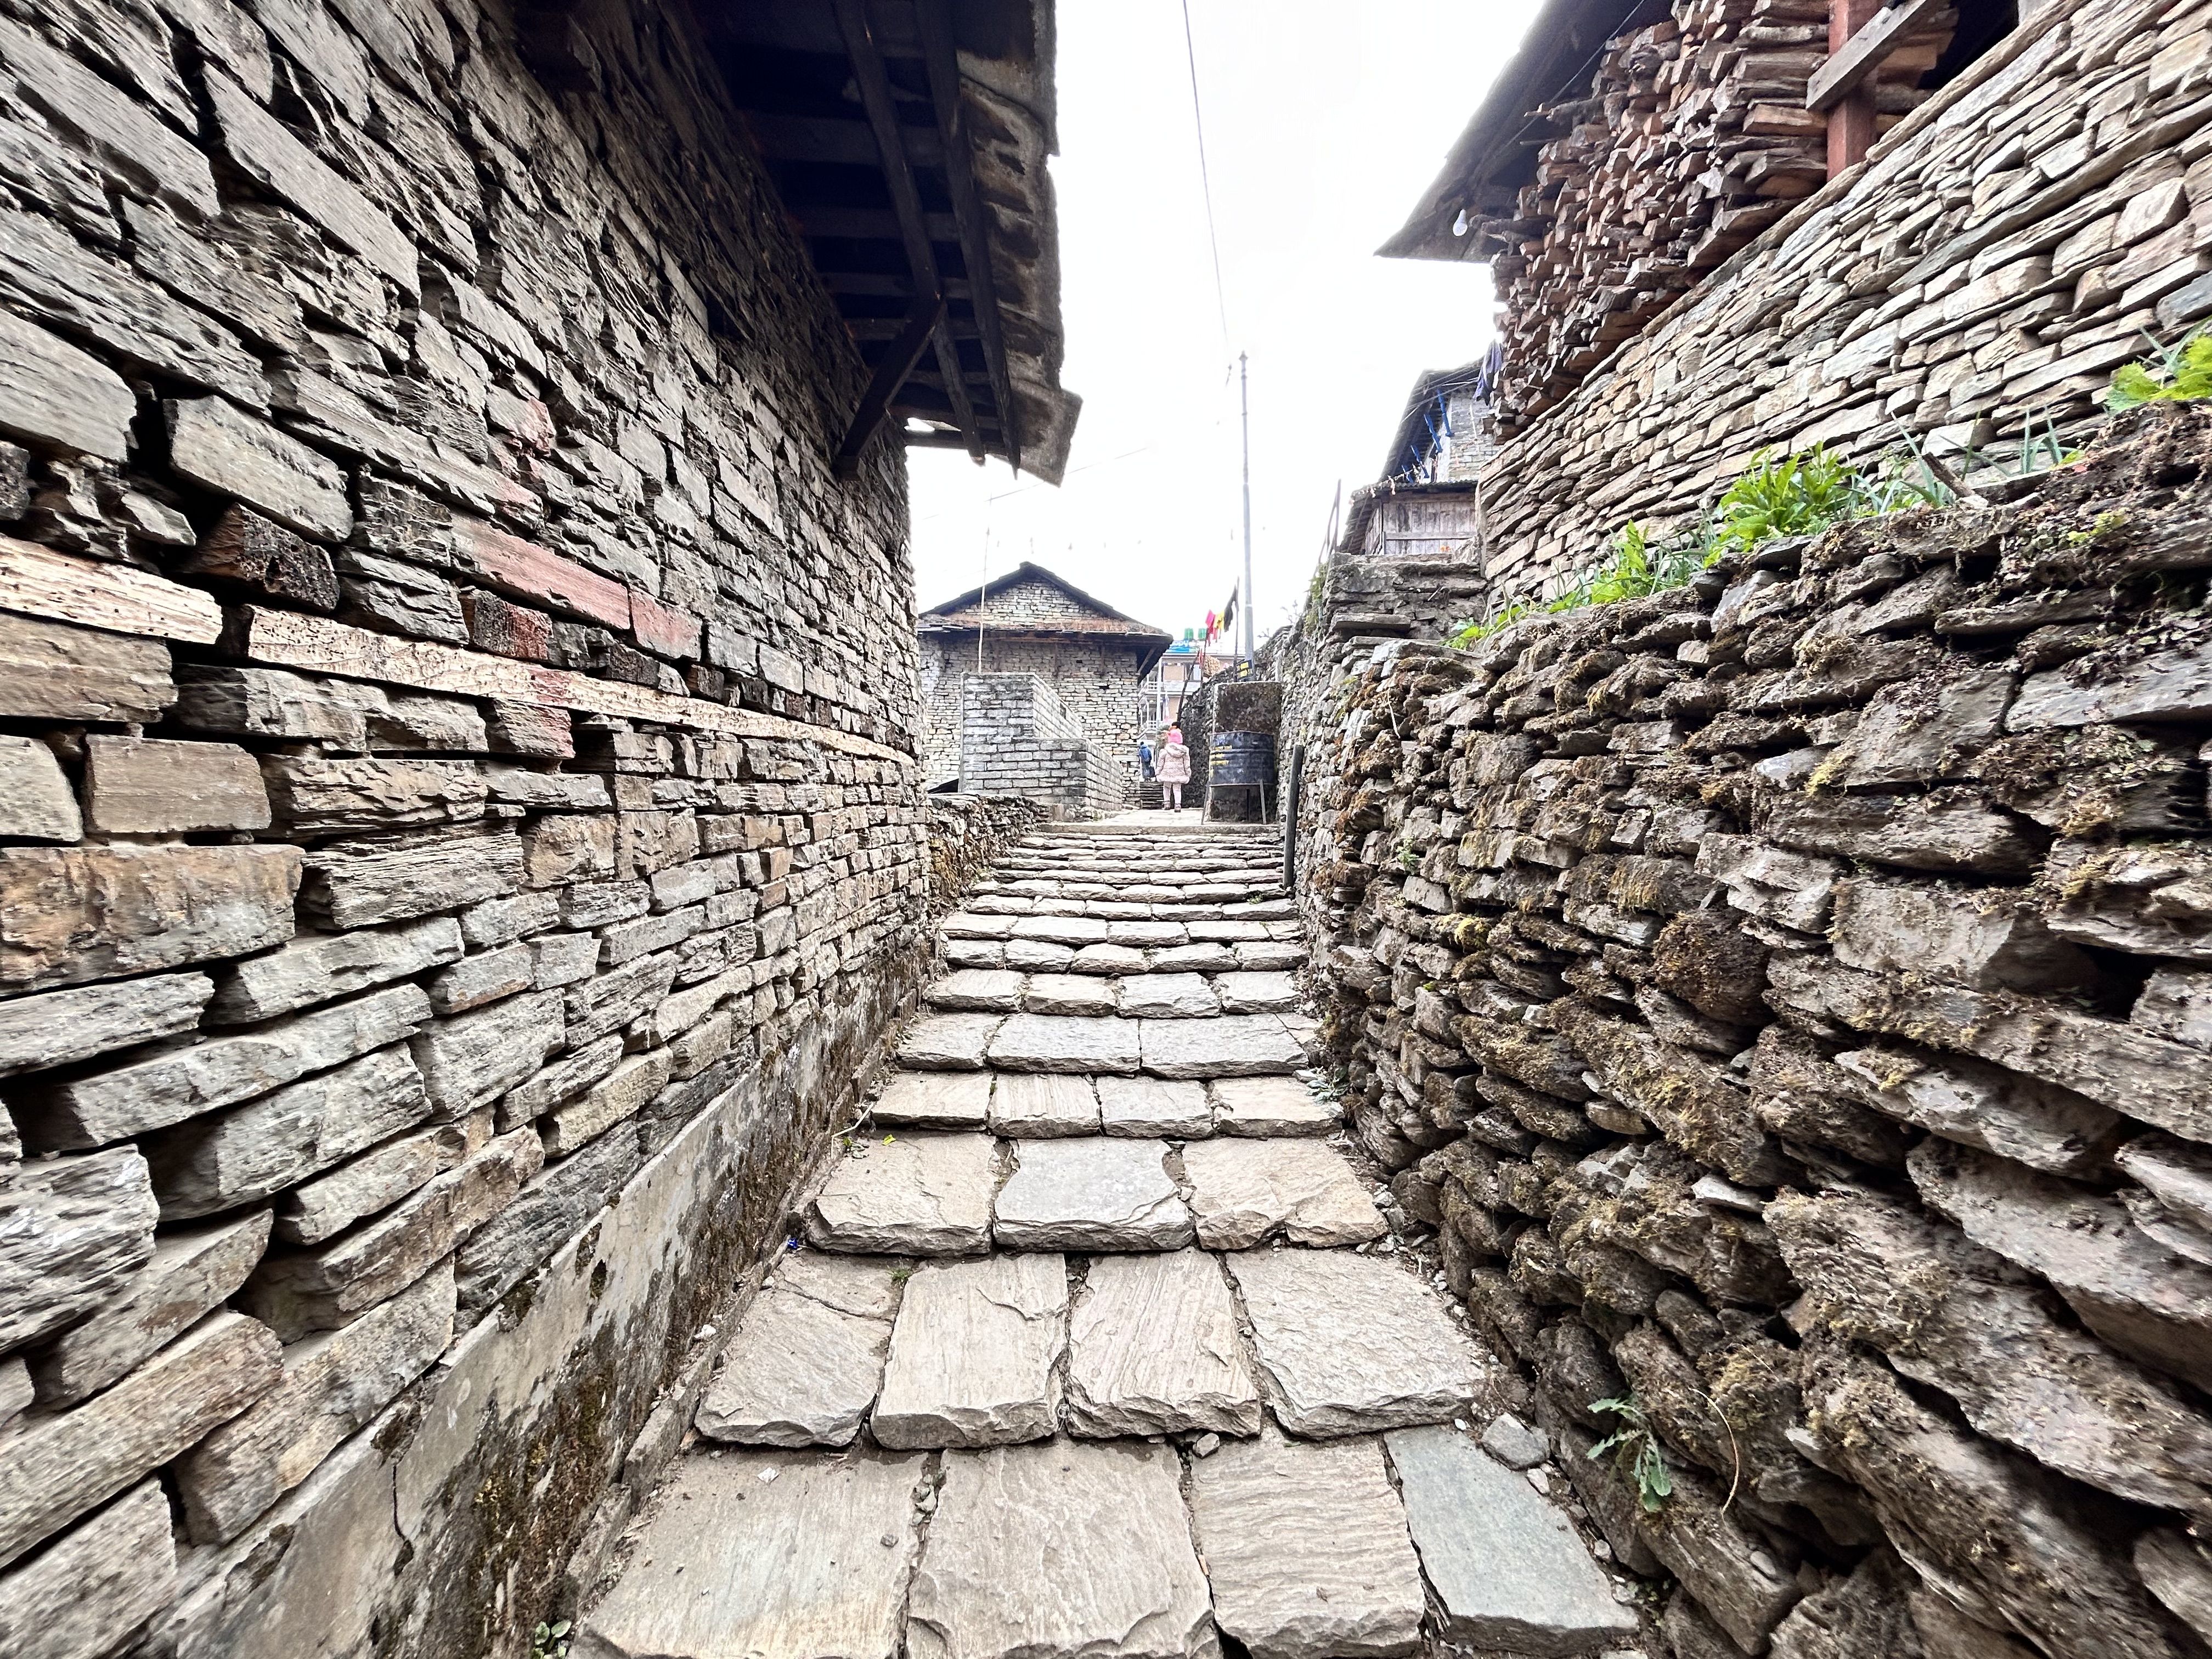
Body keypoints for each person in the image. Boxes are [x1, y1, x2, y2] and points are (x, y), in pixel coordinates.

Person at [1154, 729, 1192, 811]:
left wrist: (1158, 772)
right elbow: (1187, 764)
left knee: (1166, 788)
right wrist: (1188, 773)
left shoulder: (1165, 752)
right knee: (1177, 789)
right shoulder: (1184, 752)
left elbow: (1160, 764)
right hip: (1179, 774)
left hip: (1167, 773)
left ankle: (1167, 804)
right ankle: (1178, 806)